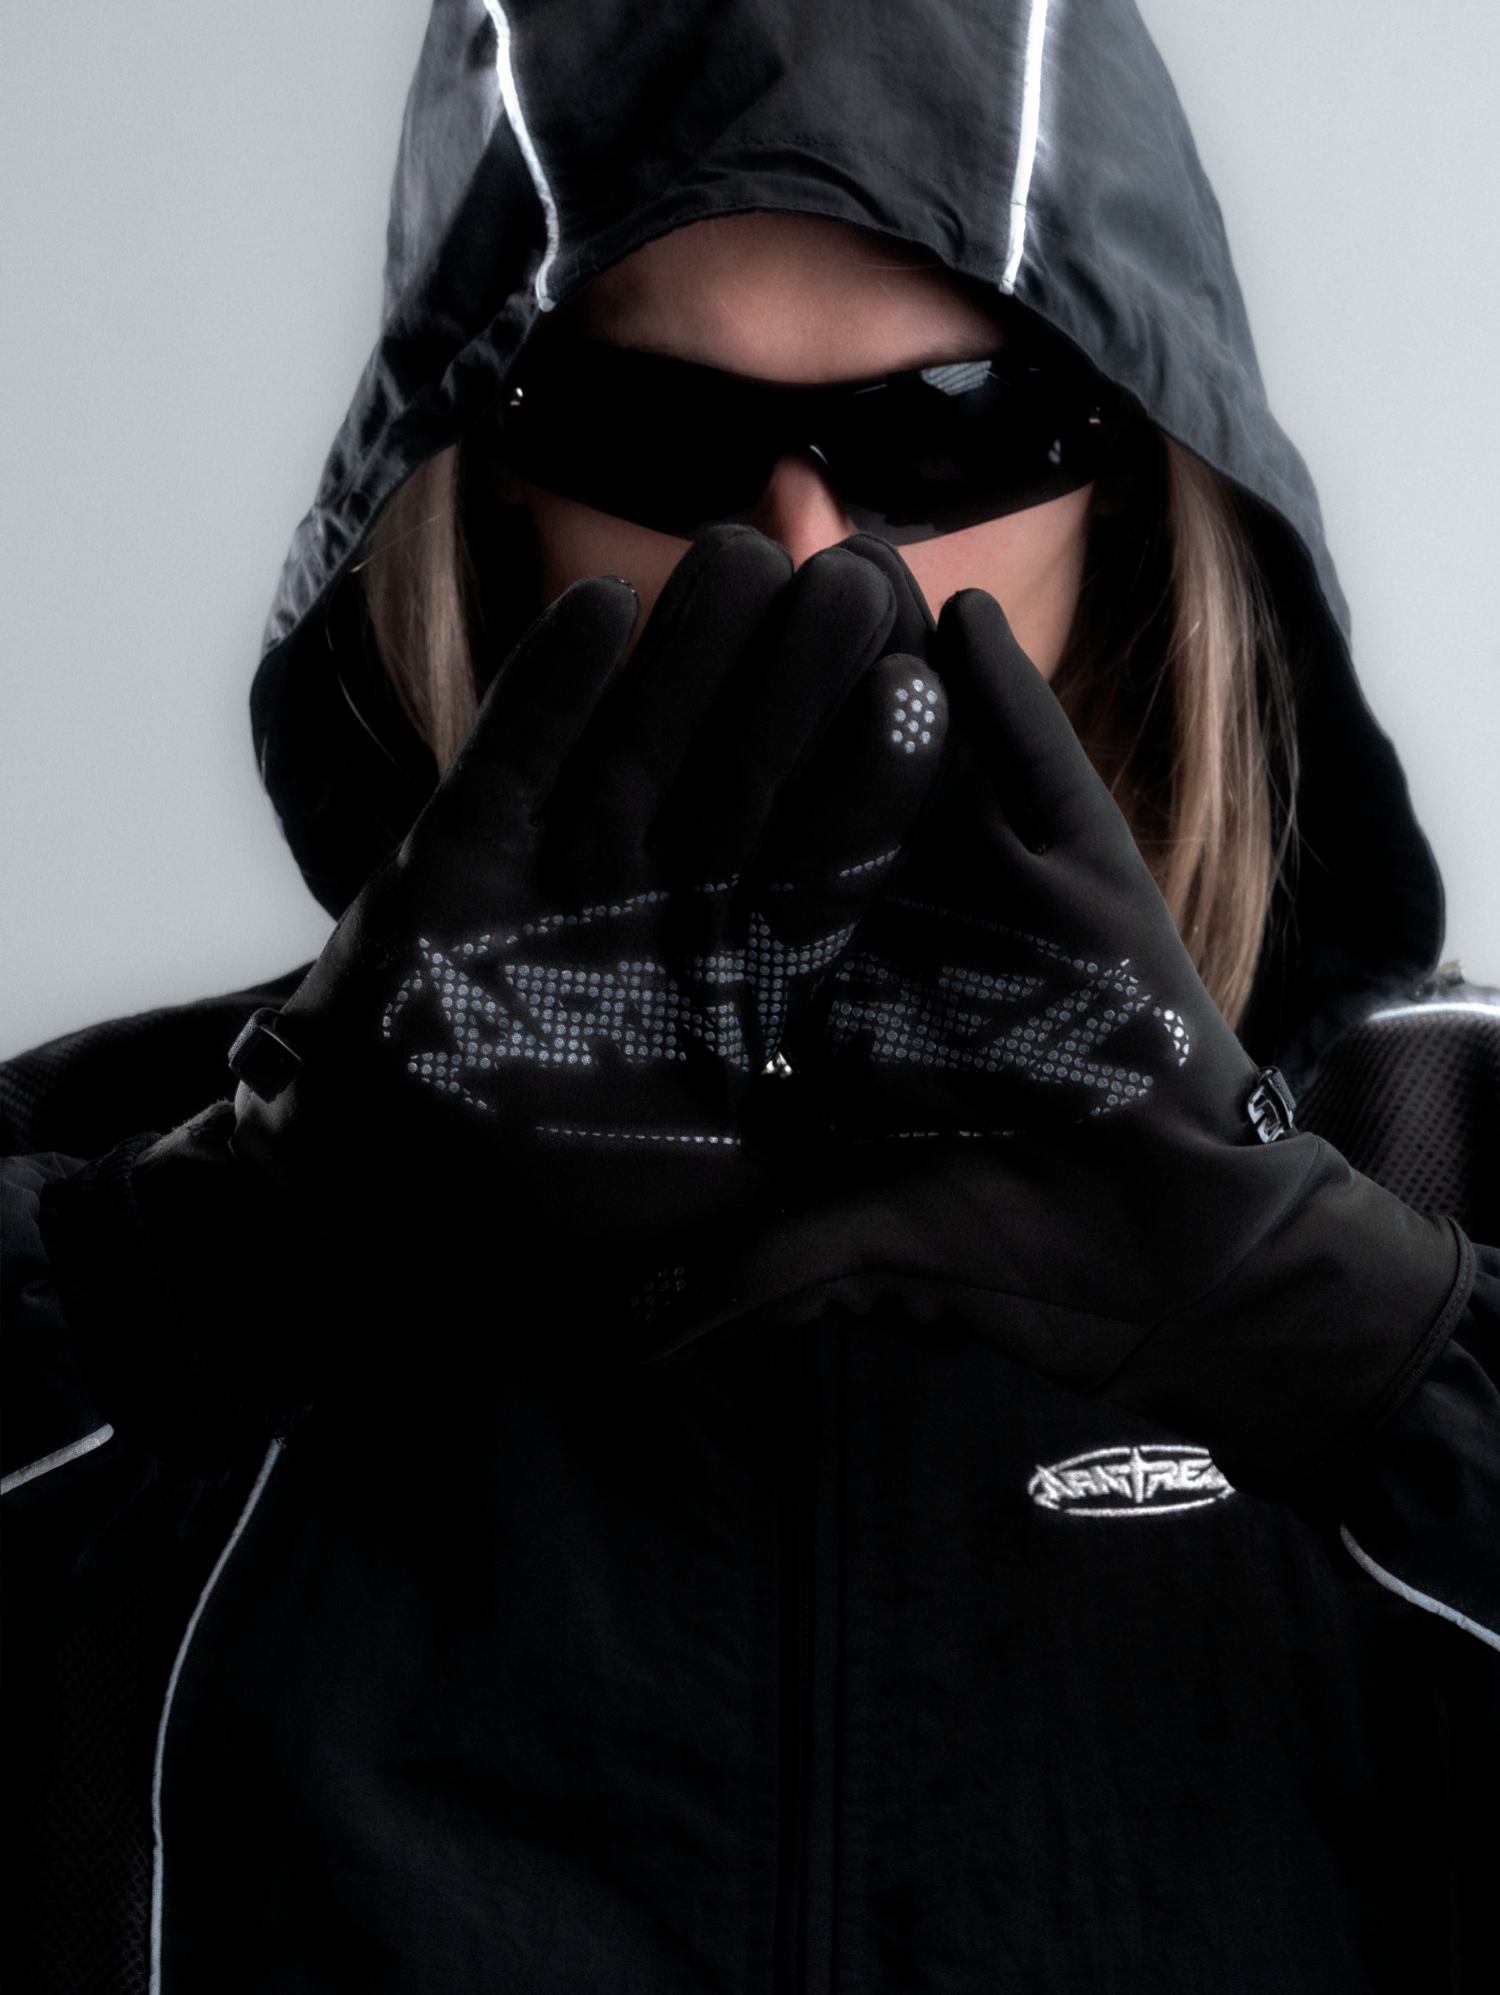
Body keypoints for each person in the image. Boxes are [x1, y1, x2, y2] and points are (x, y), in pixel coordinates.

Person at [3, 0, 1497, 1988]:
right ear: (486, 474)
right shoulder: (145, 1192)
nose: (811, 561)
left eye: (950, 423)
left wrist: (1361, 1351)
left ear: (1135, 463)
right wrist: (200, 1278)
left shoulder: (1449, 1161)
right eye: (655, 435)